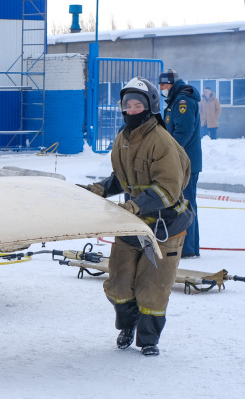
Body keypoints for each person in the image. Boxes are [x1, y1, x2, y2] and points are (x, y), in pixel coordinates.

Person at [81, 77, 194, 356]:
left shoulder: (162, 141)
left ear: (151, 106)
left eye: (137, 105)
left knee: (152, 289)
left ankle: (148, 340)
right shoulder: (122, 139)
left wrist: (135, 206)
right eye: (127, 105)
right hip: (133, 222)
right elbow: (125, 179)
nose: (131, 110)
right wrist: (100, 189)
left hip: (166, 225)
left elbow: (167, 188)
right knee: (118, 283)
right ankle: (127, 326)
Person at [159, 69, 202, 259]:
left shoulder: (183, 101)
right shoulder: (175, 100)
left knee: (187, 205)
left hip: (185, 163)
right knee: (182, 203)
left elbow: (183, 132)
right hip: (181, 161)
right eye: (160, 85)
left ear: (173, 84)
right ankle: (186, 245)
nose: (161, 88)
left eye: (164, 85)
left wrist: (169, 156)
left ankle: (189, 248)